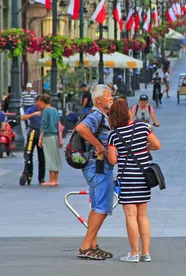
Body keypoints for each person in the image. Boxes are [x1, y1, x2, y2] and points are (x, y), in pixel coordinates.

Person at [107, 99, 161, 263]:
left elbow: (112, 160)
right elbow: (157, 145)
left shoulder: (114, 135)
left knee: (131, 215)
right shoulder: (143, 127)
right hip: (144, 177)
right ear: (128, 112)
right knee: (143, 215)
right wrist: (145, 148)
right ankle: (145, 252)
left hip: (127, 179)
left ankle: (134, 253)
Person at [76, 85, 114, 260]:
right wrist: (99, 146)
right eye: (108, 95)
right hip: (98, 166)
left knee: (97, 206)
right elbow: (81, 129)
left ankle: (92, 245)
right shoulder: (96, 115)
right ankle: (85, 246)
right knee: (101, 207)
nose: (111, 98)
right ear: (98, 100)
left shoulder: (101, 116)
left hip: (97, 166)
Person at [20, 95, 46, 184]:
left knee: (42, 157)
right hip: (32, 133)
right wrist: (33, 114)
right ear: (38, 102)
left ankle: (41, 178)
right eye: (42, 102)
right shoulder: (32, 109)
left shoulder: (46, 110)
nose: (43, 104)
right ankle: (29, 174)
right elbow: (22, 117)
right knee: (28, 155)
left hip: (42, 135)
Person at [38, 94, 62, 186]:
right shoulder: (54, 110)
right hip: (55, 136)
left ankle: (51, 180)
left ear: (43, 102)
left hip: (48, 136)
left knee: (49, 157)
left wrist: (40, 138)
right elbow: (58, 124)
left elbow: (43, 125)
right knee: (55, 157)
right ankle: (56, 179)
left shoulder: (45, 111)